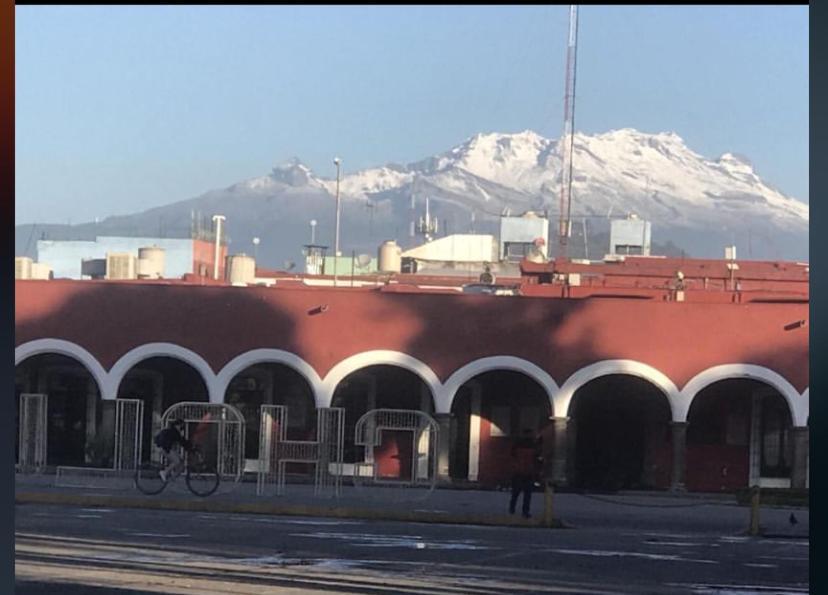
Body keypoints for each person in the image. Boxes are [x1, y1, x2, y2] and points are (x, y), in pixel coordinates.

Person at [509, 428, 539, 518]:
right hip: (528, 472)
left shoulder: (517, 444)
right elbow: (536, 458)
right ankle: (525, 512)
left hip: (518, 471)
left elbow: (513, 455)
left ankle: (512, 509)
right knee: (527, 494)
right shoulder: (534, 445)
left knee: (516, 492)